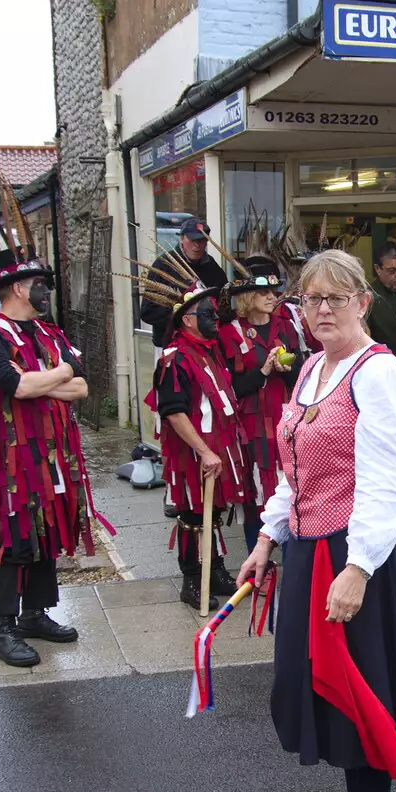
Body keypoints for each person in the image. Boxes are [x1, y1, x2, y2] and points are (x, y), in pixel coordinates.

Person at [237, 249, 396, 792]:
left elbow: (391, 481)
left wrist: (356, 569)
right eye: (311, 299)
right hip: (311, 549)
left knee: (363, 687)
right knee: (320, 685)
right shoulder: (309, 370)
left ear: (363, 303)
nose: (322, 309)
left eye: (335, 298)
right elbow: (294, 472)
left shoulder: (376, 372)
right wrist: (268, 538)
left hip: (363, 552)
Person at [0, 245, 101, 667]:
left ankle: (35, 614)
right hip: (15, 457)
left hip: (57, 451)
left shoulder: (48, 332)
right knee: (16, 533)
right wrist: (61, 372)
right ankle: (3, 628)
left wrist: (45, 378)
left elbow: (82, 388)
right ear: (18, 288)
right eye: (40, 284)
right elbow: (17, 387)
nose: (46, 292)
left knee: (48, 531)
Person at [154, 284, 251, 608]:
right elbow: (173, 412)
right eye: (207, 313)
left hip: (219, 447)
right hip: (191, 454)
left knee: (214, 510)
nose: (215, 317)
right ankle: (192, 580)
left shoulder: (210, 350)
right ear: (187, 320)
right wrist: (203, 450)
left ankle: (216, 570)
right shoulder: (175, 358)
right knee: (193, 514)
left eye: (214, 311)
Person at [224, 253, 306, 554]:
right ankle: (258, 565)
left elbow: (301, 374)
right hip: (252, 425)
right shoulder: (229, 332)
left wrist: (287, 371)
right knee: (256, 492)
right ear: (248, 296)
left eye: (275, 291)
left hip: (285, 420)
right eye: (265, 292)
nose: (273, 297)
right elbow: (229, 386)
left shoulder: (285, 327)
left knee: (290, 487)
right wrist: (263, 372)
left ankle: (293, 558)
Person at [139, 218, 228, 347]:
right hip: (171, 344)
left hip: (205, 345)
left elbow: (223, 303)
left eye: (202, 240)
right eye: (192, 240)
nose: (197, 245)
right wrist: (182, 316)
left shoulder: (212, 268)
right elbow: (148, 312)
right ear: (181, 238)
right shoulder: (164, 265)